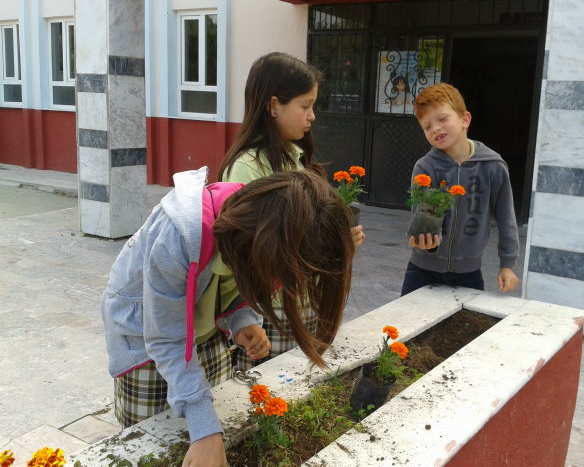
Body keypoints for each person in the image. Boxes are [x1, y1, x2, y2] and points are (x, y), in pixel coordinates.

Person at [102, 169, 355, 467]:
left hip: (204, 333)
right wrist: (204, 428)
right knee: (152, 450)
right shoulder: (177, 235)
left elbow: (233, 282)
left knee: (208, 440)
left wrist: (242, 320)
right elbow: (166, 338)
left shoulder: (258, 227)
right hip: (145, 340)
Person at [216, 52, 365, 370]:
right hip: (268, 309)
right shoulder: (247, 168)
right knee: (270, 396)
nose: (312, 116)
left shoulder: (297, 156)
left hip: (302, 298)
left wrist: (337, 245)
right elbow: (252, 255)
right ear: (273, 106)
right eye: (305, 106)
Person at [401, 82, 519, 295]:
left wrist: (507, 265)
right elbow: (420, 218)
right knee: (409, 327)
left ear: (465, 119)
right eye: (427, 126)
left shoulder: (493, 166)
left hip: (469, 274)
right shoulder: (425, 167)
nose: (435, 128)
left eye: (442, 119)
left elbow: (506, 218)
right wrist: (424, 241)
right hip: (421, 270)